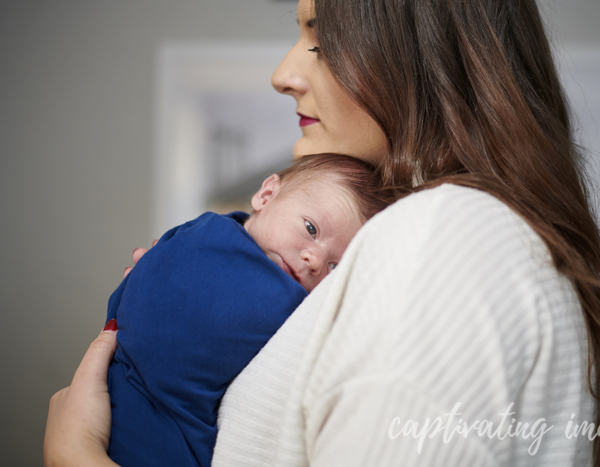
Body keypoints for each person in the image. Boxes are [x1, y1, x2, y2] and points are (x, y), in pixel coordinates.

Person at [44, 0, 600, 466]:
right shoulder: (437, 243)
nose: (284, 73)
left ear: (421, 58)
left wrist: (77, 456)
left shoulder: (442, 239)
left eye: (319, 40)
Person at [105, 154, 388, 467]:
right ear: (266, 195)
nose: (315, 260)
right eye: (310, 228)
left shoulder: (217, 233)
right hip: (139, 419)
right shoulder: (212, 242)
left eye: (335, 266)